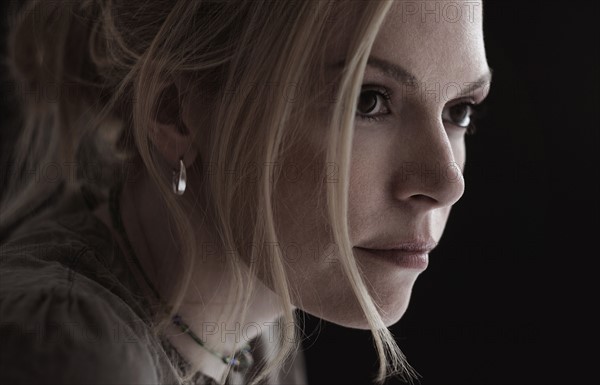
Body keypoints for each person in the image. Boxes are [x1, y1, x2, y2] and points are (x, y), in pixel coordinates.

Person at [0, 0, 492, 384]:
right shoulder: (72, 358)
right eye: (368, 100)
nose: (448, 183)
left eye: (460, 110)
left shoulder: (257, 328)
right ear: (174, 111)